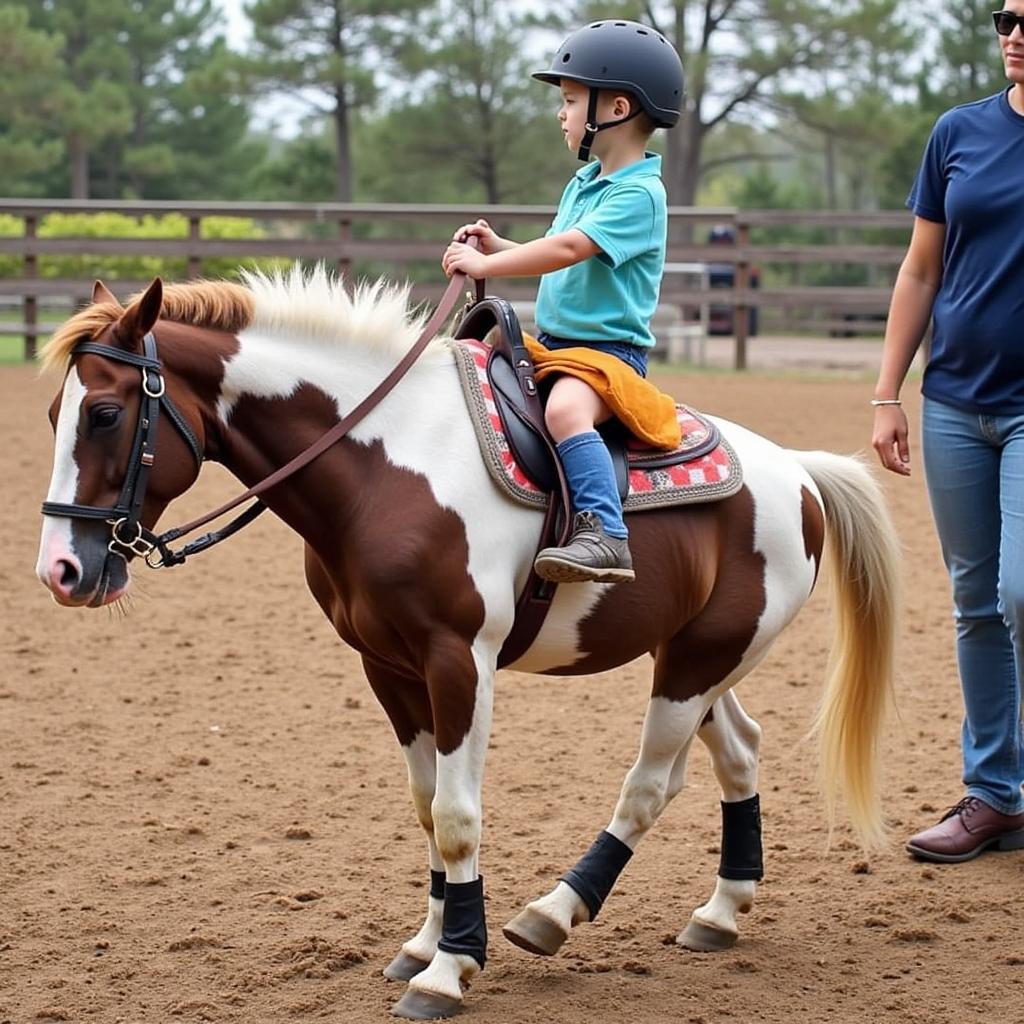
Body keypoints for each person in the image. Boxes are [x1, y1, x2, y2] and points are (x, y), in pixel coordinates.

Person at [442, 20, 684, 585]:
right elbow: (554, 249)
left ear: (618, 107)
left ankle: (605, 532)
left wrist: (486, 266)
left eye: (571, 100)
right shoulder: (586, 184)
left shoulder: (640, 194)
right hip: (552, 345)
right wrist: (499, 247)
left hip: (606, 355)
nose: (562, 112)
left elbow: (571, 248)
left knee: (564, 412)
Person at [872, 3, 1024, 863]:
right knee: (975, 604)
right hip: (956, 402)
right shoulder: (958, 133)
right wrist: (887, 392)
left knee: (1022, 592)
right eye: (1005, 15)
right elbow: (921, 267)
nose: (1014, 30)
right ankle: (996, 794)